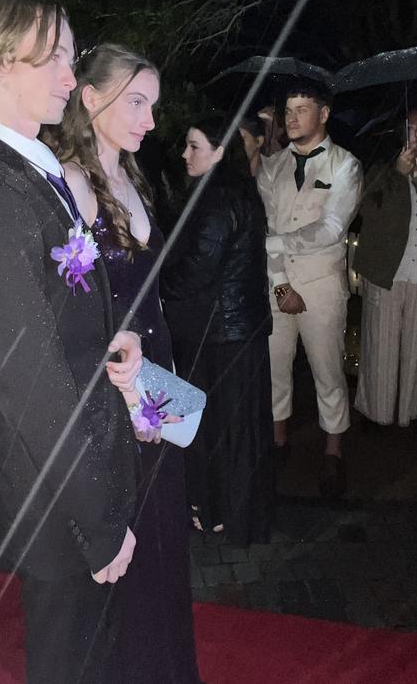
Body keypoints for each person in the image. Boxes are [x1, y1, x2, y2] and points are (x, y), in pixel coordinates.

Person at [0, 0, 145, 684]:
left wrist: (115, 334)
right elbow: (30, 389)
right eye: (52, 57)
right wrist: (101, 523)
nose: (69, 74)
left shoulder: (33, 168)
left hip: (90, 469)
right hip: (65, 507)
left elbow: (63, 309)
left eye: (69, 54)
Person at [51, 43, 201, 682]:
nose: (148, 119)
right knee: (128, 539)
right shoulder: (72, 186)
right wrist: (122, 384)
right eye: (135, 101)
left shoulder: (130, 176)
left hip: (153, 375)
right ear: (91, 98)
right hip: (112, 387)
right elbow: (68, 311)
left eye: (153, 106)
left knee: (162, 530)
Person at [162, 115, 274, 545]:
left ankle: (224, 511)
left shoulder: (219, 198)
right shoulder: (229, 193)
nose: (186, 154)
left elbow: (196, 270)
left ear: (220, 151)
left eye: (194, 146)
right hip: (229, 329)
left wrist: (151, 288)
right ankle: (225, 510)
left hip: (221, 332)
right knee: (232, 427)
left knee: (223, 427)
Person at [257, 82, 363, 497]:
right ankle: (278, 440)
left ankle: (334, 451)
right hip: (277, 283)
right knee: (274, 369)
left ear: (323, 114)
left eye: (302, 109)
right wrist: (281, 283)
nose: (293, 117)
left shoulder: (345, 166)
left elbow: (332, 228)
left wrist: (276, 243)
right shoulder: (272, 166)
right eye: (288, 110)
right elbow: (267, 223)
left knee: (328, 372)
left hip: (322, 286)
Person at [354, 108, 417, 440]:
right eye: (413, 128)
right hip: (386, 271)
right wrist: (397, 175)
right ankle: (374, 413)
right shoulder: (382, 171)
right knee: (378, 344)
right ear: (402, 133)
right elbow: (364, 207)